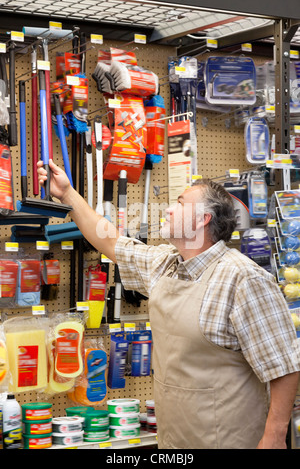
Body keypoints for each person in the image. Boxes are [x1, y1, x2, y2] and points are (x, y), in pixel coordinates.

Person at [37, 158, 300, 449]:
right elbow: (110, 241)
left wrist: (275, 436)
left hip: (229, 440)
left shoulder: (244, 279)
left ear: (202, 219)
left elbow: (284, 366)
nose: (169, 209)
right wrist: (67, 194)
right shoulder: (165, 264)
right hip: (174, 441)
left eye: (179, 202)